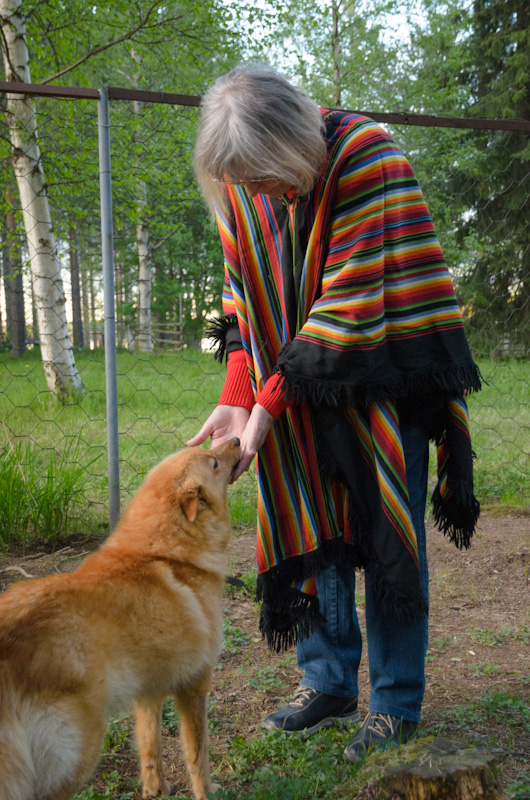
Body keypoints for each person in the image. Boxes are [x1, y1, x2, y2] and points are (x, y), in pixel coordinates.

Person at [189, 64, 481, 762]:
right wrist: (239, 395)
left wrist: (266, 403)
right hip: (291, 387)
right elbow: (241, 292)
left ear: (294, 145)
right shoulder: (242, 178)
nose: (258, 195)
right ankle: (326, 682)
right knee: (310, 522)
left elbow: (349, 302)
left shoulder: (367, 154)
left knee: (385, 532)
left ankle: (394, 701)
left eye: (265, 180)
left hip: (383, 378)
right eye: (246, 185)